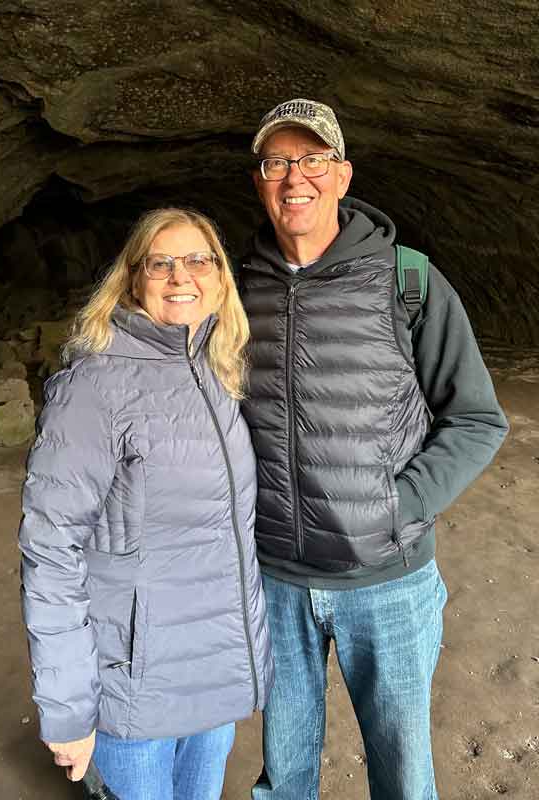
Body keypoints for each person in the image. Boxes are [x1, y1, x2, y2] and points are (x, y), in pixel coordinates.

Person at [239, 99, 509, 800]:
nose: (294, 176)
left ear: (343, 175)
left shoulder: (407, 280)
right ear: (260, 181)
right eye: (277, 162)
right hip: (275, 579)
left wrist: (398, 506)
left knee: (402, 775)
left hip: (388, 581)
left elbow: (477, 420)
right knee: (283, 774)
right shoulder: (239, 290)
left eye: (313, 159)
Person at [18, 208, 273, 800]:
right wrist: (68, 709)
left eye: (198, 260)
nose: (180, 275)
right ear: (132, 278)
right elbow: (50, 547)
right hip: (136, 686)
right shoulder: (96, 383)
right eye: (161, 262)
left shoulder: (218, 365)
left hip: (212, 673)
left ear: (219, 276)